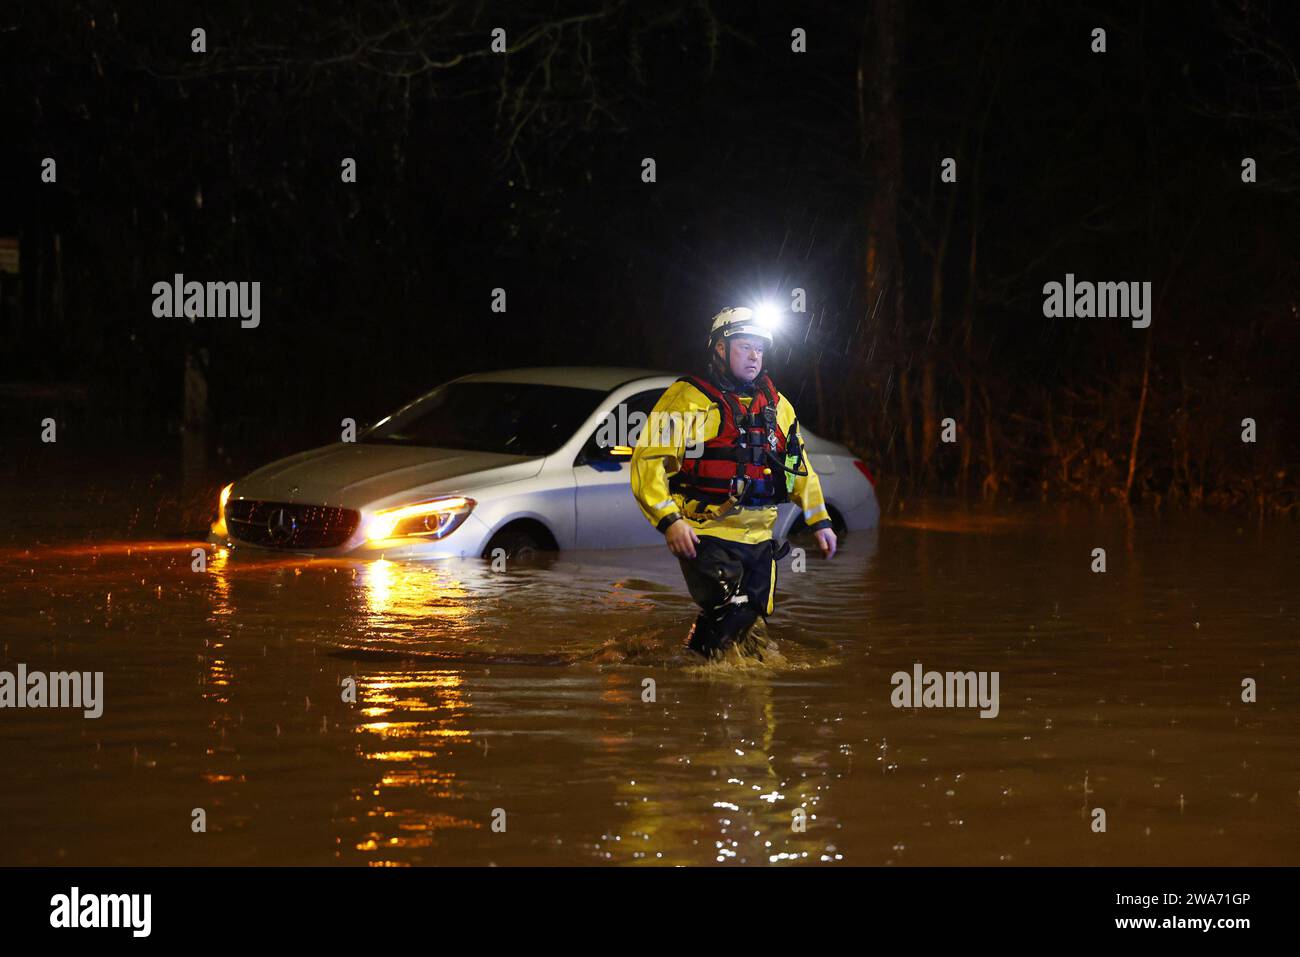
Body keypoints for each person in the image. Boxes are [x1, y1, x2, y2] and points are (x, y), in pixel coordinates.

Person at [631, 306, 837, 659]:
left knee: (749, 628)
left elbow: (797, 467)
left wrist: (819, 520)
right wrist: (670, 521)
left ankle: (694, 673)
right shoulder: (688, 399)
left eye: (760, 348)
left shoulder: (779, 407)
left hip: (760, 540)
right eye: (745, 346)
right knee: (733, 609)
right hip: (706, 534)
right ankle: (689, 674)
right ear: (720, 349)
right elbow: (647, 463)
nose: (755, 355)